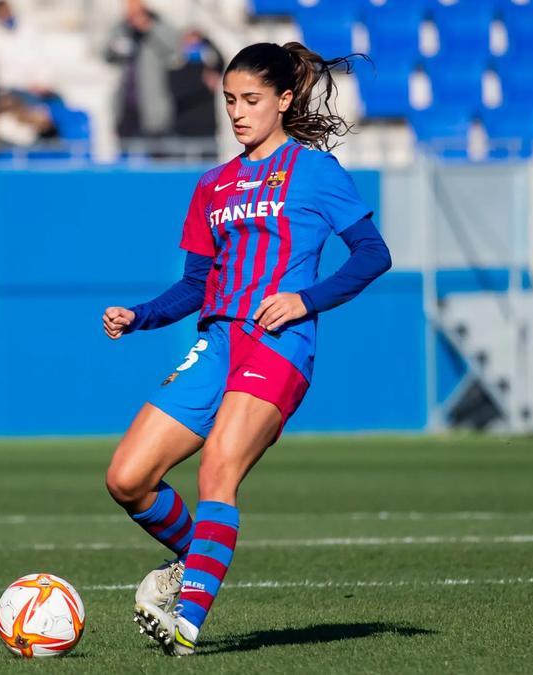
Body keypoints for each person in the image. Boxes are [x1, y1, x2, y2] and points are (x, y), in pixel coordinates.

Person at [100, 42, 392, 656]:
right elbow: (194, 284)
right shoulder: (213, 184)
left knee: (217, 473)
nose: (237, 111)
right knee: (127, 478)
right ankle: (197, 558)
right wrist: (141, 316)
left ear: (285, 100)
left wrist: (306, 300)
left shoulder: (314, 170)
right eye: (230, 99)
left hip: (279, 344)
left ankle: (186, 626)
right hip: (218, 342)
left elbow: (373, 253)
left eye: (251, 100)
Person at [102, 0, 180, 141]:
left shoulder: (160, 25)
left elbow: (175, 49)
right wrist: (115, 46)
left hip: (153, 106)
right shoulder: (122, 28)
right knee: (124, 151)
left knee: (156, 151)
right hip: (126, 104)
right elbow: (106, 56)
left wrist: (149, 28)